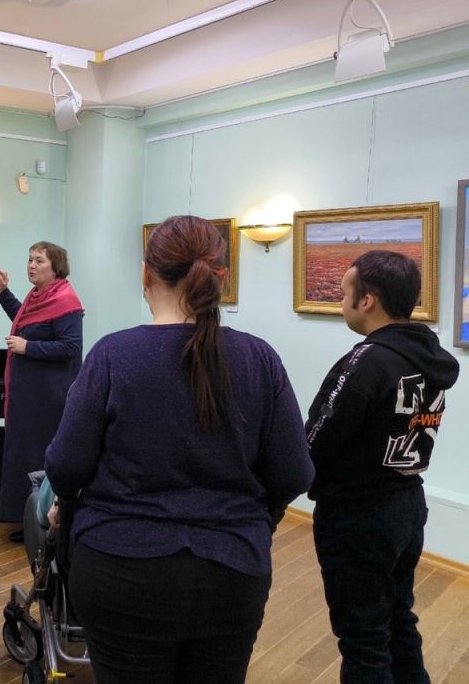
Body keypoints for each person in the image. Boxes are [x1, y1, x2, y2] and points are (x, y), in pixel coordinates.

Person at [45, 215, 314, 684]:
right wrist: (249, 520)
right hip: (232, 572)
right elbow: (294, 473)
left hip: (120, 569)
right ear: (220, 278)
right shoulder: (260, 358)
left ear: (145, 275)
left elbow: (66, 467)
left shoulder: (113, 354)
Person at [305, 250, 459, 684]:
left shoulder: (366, 361)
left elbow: (316, 439)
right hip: (407, 505)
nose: (342, 303)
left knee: (363, 638)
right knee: (397, 618)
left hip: (358, 517)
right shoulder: (429, 357)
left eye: (344, 294)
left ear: (367, 300)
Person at [0, 241, 83, 542]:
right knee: (23, 456)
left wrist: (28, 347)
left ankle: (44, 522)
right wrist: (4, 293)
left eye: (39, 260)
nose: (31, 265)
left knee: (39, 458)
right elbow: (25, 322)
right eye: (30, 259)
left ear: (56, 267)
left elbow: (70, 347)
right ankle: (28, 519)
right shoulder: (37, 297)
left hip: (49, 400)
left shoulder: (66, 301)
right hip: (28, 397)